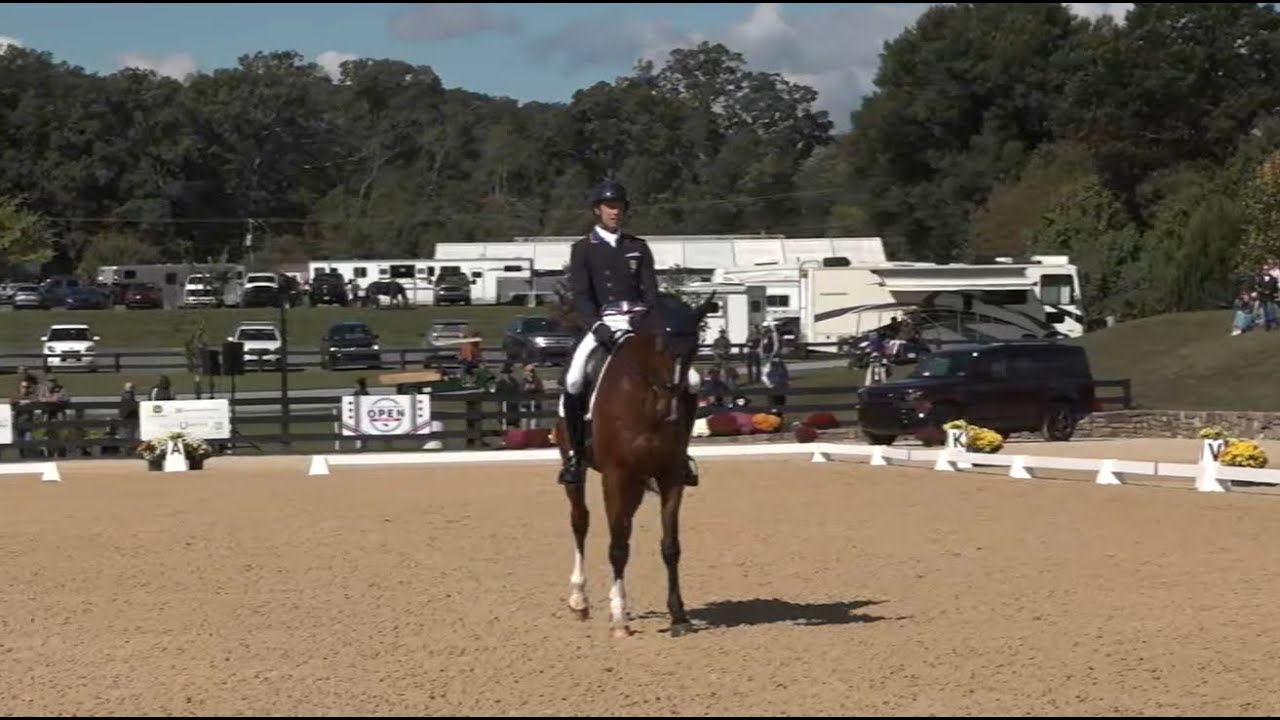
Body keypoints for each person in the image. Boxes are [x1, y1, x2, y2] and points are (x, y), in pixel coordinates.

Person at [557, 179, 700, 487]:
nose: (615, 212)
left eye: (619, 207)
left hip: (640, 324)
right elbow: (581, 295)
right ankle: (575, 458)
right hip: (604, 323)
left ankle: (682, 454)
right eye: (610, 207)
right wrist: (597, 326)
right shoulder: (583, 249)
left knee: (691, 380)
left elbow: (650, 292)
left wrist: (655, 325)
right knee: (574, 379)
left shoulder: (637, 247)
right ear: (598, 210)